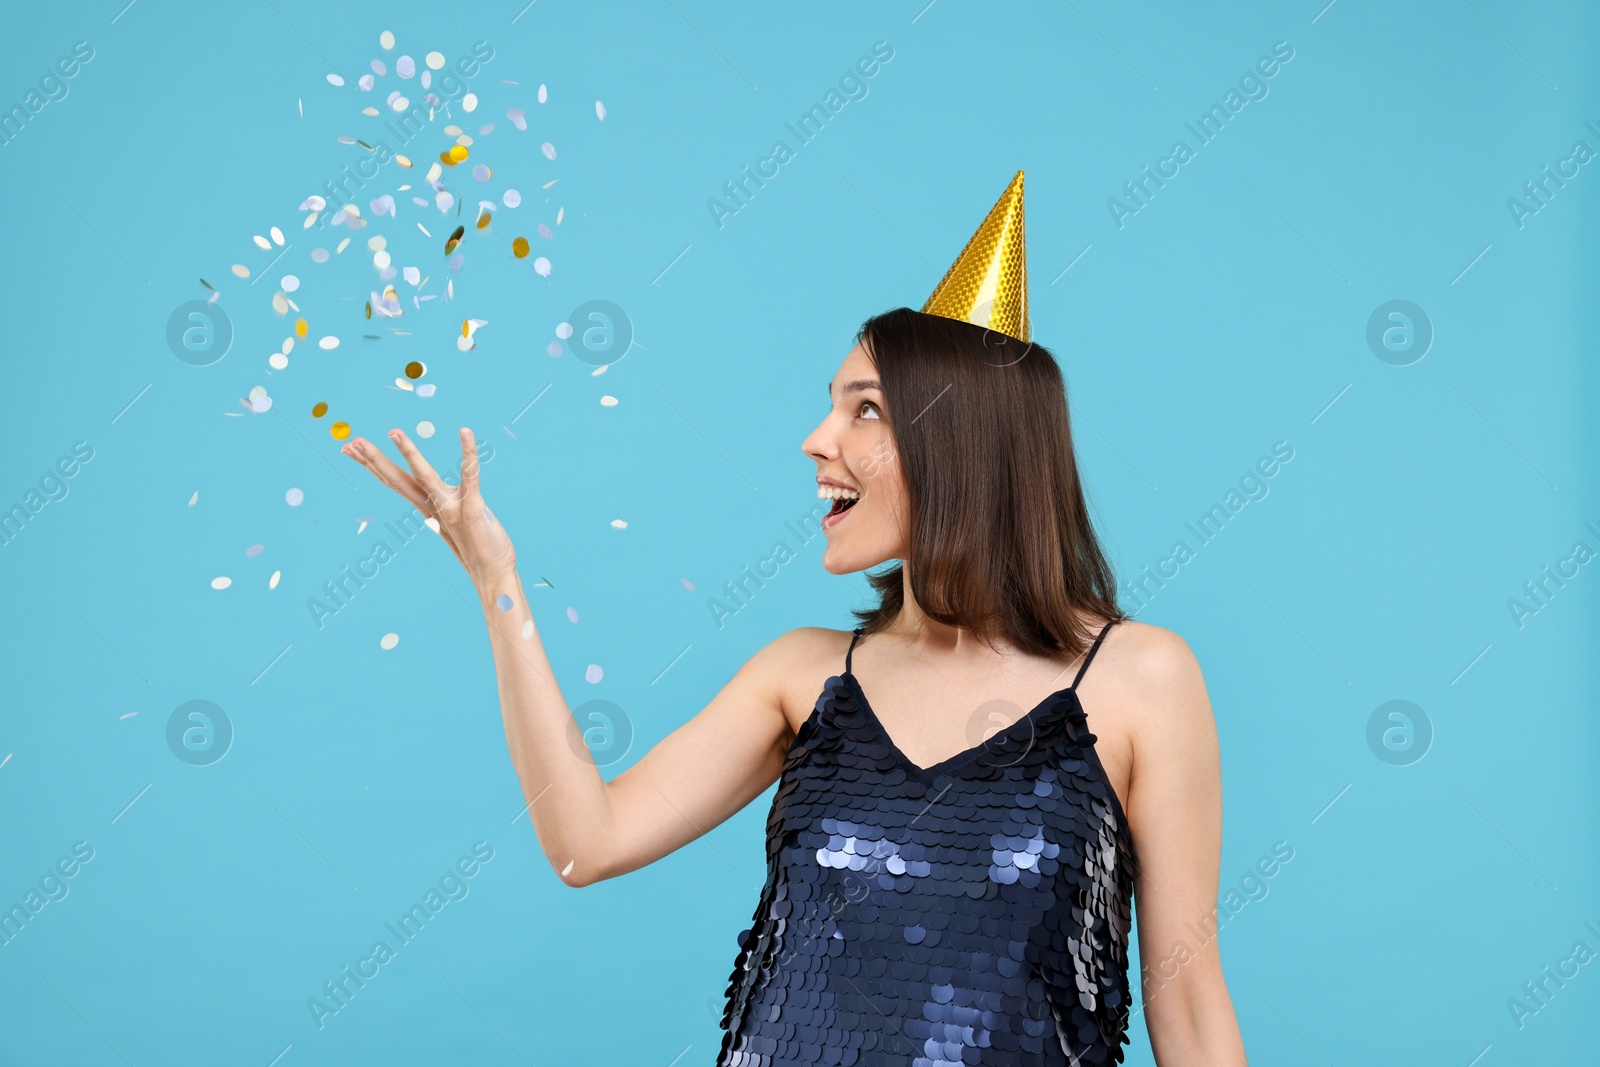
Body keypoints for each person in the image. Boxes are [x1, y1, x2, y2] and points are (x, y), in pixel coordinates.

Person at [338, 172, 1248, 1064]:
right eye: (831, 406)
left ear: (961, 442)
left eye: (865, 410)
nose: (819, 440)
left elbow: (1191, 1005)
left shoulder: (1141, 680)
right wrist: (499, 586)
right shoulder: (800, 677)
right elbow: (586, 842)